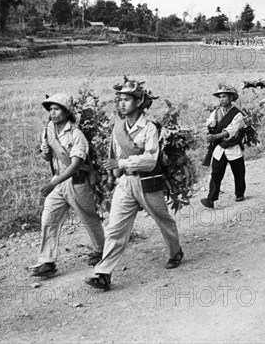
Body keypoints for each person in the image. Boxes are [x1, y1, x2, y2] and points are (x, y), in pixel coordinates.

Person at [85, 80, 183, 291]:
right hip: (125, 182)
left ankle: (175, 252)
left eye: (127, 100)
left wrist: (121, 163)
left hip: (147, 181)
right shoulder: (118, 128)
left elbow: (150, 160)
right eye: (119, 100)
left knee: (162, 219)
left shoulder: (149, 128)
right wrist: (112, 177)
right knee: (115, 228)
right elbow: (113, 153)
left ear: (139, 102)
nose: (122, 104)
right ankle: (103, 273)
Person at [31, 93, 105, 277]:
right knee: (49, 219)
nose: (52, 113)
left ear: (66, 112)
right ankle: (47, 261)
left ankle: (101, 250)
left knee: (88, 217)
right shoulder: (48, 130)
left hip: (76, 182)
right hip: (57, 183)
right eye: (50, 110)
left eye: (56, 109)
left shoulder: (76, 134)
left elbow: (75, 165)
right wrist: (45, 153)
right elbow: (46, 156)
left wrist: (53, 182)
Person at [200, 85, 246, 208]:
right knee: (216, 173)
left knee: (238, 173)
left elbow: (230, 131)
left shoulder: (237, 114)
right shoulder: (216, 113)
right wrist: (209, 128)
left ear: (231, 98)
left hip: (232, 146)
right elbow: (210, 124)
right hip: (220, 148)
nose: (222, 99)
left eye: (224, 96)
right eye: (220, 97)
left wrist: (215, 137)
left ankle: (239, 193)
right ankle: (211, 198)